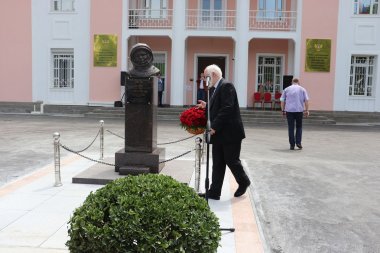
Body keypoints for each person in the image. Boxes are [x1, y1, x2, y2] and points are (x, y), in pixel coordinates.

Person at [197, 64, 251, 200]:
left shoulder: (226, 86)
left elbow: (227, 108)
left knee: (232, 160)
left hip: (230, 133)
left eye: (207, 77)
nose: (205, 80)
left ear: (214, 75)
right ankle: (214, 192)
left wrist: (214, 126)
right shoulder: (217, 88)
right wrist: (206, 106)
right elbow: (218, 106)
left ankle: (244, 182)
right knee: (218, 163)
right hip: (220, 133)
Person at [280, 78, 310, 150]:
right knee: (299, 127)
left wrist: (283, 110)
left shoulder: (286, 89)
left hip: (289, 111)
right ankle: (298, 142)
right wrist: (307, 110)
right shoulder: (302, 89)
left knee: (291, 127)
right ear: (298, 82)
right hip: (299, 111)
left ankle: (292, 144)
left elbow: (282, 100)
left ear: (292, 82)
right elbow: (306, 101)